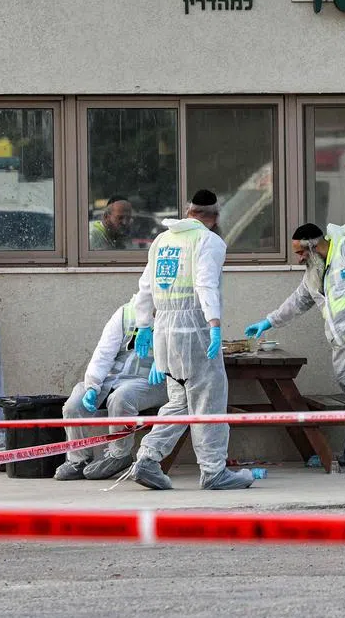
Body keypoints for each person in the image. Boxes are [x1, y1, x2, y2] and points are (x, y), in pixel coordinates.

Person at [127, 189, 254, 490]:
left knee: (180, 401)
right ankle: (213, 471)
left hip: (164, 332)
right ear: (215, 216)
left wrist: (143, 325)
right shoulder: (208, 241)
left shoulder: (163, 239)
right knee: (209, 401)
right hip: (194, 330)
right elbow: (205, 283)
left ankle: (147, 458)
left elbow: (145, 287)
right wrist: (214, 325)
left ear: (189, 211)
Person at [245, 222, 345, 468]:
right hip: (340, 342)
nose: (298, 259)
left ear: (313, 246)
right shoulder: (314, 272)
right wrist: (268, 321)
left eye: (300, 252)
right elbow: (298, 302)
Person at [53, 294, 169, 481]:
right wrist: (92, 385)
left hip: (153, 381)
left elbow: (188, 349)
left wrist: (164, 361)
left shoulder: (175, 314)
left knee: (122, 398)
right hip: (114, 378)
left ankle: (119, 455)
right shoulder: (125, 314)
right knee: (74, 404)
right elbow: (104, 353)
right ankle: (78, 459)